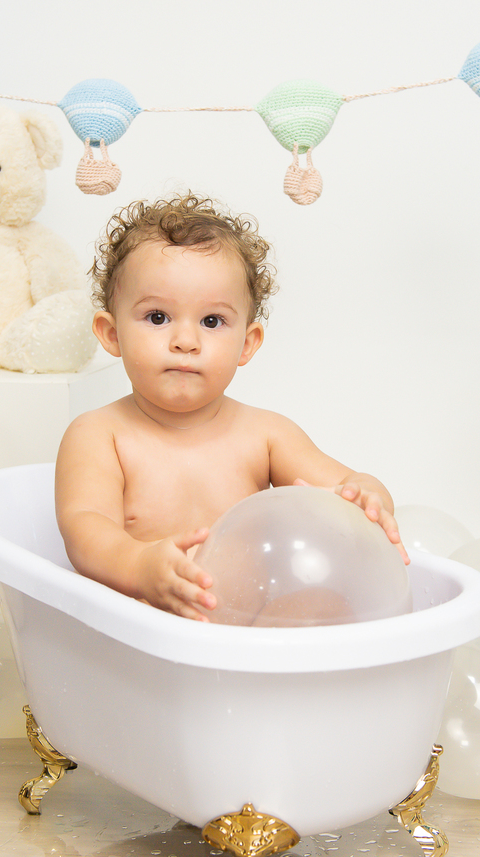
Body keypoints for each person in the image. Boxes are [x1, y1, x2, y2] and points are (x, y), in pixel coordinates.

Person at [55, 193, 406, 621]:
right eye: (158, 317)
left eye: (212, 321)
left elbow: (344, 487)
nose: (186, 341)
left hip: (253, 628)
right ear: (111, 334)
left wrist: (368, 495)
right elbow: (85, 528)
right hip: (150, 631)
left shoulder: (268, 435)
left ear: (247, 343)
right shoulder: (99, 434)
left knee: (327, 602)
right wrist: (138, 566)